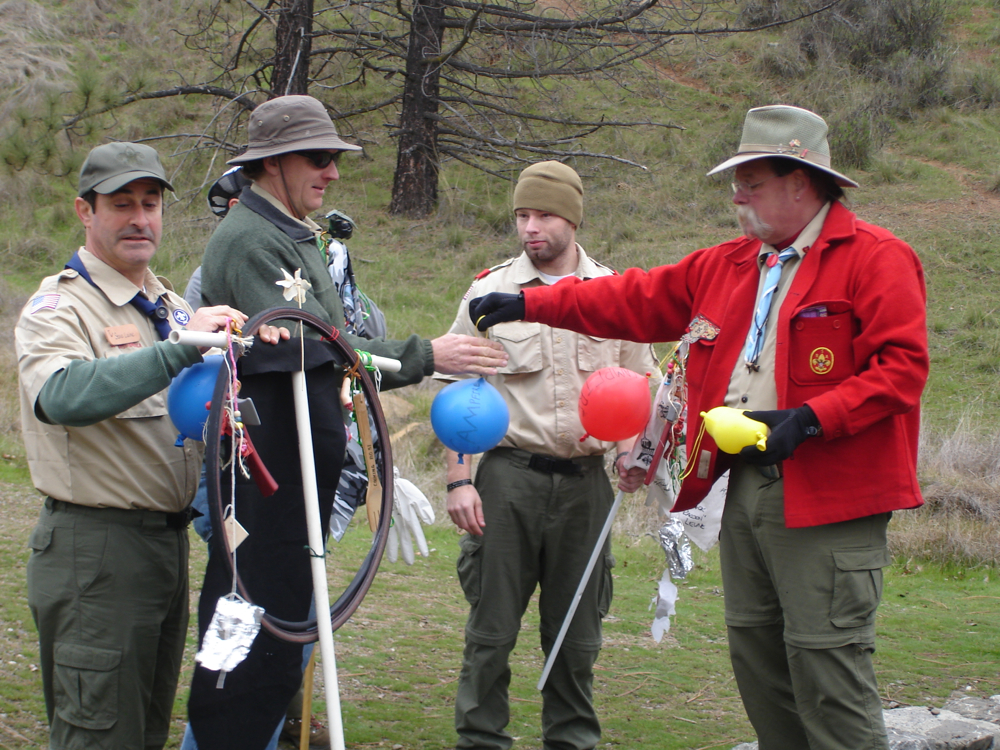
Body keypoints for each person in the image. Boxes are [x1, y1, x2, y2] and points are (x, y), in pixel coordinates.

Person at [470, 106, 929, 750]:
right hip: (747, 488)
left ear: (801, 182)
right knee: (756, 656)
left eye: (752, 182)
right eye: (735, 182)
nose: (736, 195)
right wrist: (530, 301)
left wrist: (809, 420)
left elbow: (902, 369)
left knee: (827, 664)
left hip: (830, 498)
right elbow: (630, 298)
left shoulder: (876, 258)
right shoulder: (729, 264)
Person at [187, 94, 508, 749]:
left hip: (296, 475)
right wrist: (425, 355)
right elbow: (313, 346)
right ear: (272, 163)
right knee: (247, 653)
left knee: (278, 645)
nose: (332, 172)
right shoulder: (251, 240)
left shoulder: (290, 234)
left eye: (334, 158)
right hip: (265, 477)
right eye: (318, 158)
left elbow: (328, 343)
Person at [14, 142, 283, 750]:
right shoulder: (59, 307)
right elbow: (61, 395)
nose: (140, 218)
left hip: (166, 546)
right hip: (96, 550)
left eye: (151, 203)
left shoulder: (172, 308)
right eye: (121, 204)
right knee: (99, 732)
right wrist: (178, 350)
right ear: (85, 211)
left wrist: (253, 353)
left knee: (146, 729)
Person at [440, 161, 658, 750]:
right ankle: (480, 740)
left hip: (587, 485)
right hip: (507, 480)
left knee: (577, 636)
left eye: (543, 215)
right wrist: (460, 481)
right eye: (521, 216)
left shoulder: (613, 293)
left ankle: (572, 740)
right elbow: (459, 393)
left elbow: (639, 388)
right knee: (491, 630)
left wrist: (632, 456)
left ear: (572, 218)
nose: (530, 228)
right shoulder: (489, 292)